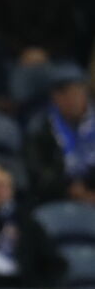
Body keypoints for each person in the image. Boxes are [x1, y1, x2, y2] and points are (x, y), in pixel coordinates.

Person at [24, 65, 95, 205]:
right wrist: (68, 189)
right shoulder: (40, 127)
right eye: (63, 94)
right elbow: (36, 171)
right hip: (55, 198)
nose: (71, 99)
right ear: (55, 98)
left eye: (76, 92)